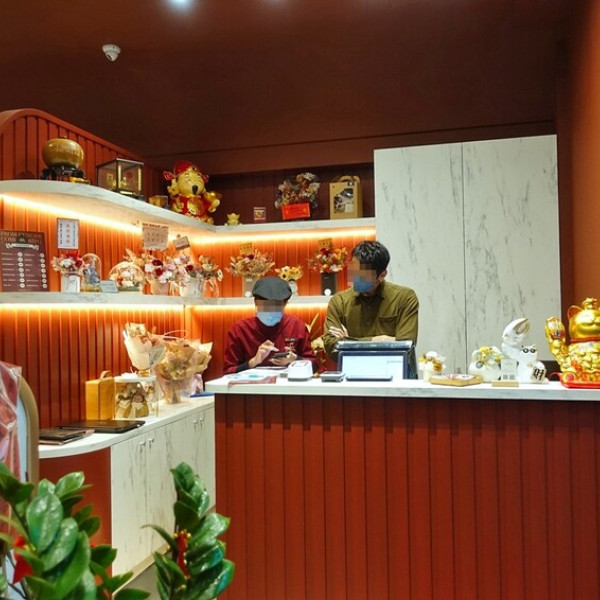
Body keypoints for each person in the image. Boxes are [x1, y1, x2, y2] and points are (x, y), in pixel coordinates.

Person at [322, 240, 419, 376]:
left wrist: (348, 342)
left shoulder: (404, 298)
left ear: (382, 275)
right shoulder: (339, 301)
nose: (354, 278)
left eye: (362, 275)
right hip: (353, 376)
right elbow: (331, 347)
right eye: (353, 271)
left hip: (396, 377)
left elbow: (405, 347)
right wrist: (378, 340)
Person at [223, 276, 318, 374]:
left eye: (276, 306)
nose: (270, 312)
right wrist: (254, 361)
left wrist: (295, 359)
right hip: (251, 383)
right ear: (256, 303)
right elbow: (228, 371)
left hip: (288, 382)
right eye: (265, 306)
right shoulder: (240, 329)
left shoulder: (296, 325)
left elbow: (314, 365)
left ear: (285, 304)